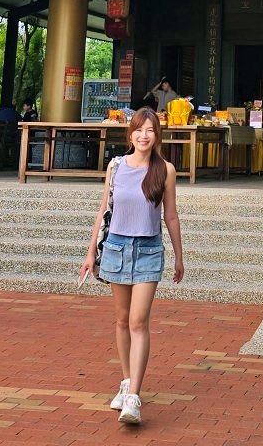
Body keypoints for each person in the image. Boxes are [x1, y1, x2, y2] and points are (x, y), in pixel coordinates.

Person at [78, 107, 185, 426]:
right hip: (116, 248)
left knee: (139, 322)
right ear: (130, 134)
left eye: (150, 130)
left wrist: (179, 256)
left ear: (157, 136)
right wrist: (89, 254)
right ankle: (126, 382)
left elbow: (171, 216)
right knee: (122, 320)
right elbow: (103, 212)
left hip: (149, 250)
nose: (144, 135)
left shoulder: (165, 170)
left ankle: (134, 397)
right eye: (139, 129)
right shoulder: (115, 166)